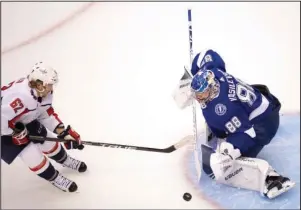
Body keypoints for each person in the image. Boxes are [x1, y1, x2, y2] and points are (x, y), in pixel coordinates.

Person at [188, 49, 295, 199]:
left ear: (211, 88)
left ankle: (270, 178)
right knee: (222, 129)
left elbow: (247, 132)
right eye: (196, 94)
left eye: (202, 94)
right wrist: (194, 71)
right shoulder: (213, 72)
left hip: (264, 124)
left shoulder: (224, 110)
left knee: (224, 167)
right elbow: (208, 55)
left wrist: (230, 150)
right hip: (263, 101)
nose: (198, 98)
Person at [1, 62, 86, 193]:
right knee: (32, 156)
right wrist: (13, 133)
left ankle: (66, 160)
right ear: (40, 84)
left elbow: (45, 114)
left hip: (22, 120)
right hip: (4, 132)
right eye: (50, 85)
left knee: (48, 141)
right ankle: (55, 178)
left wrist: (63, 132)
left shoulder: (42, 94)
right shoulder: (21, 97)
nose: (52, 88)